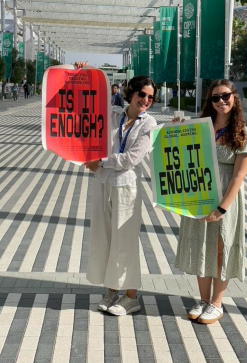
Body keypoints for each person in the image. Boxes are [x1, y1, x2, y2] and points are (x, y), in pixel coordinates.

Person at [74, 63, 157, 315]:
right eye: (141, 94)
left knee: (125, 240)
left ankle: (130, 296)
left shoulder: (148, 124)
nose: (145, 100)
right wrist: (84, 75)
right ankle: (111, 289)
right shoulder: (112, 114)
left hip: (126, 188)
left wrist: (99, 162)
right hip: (102, 184)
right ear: (130, 93)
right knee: (104, 238)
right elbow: (84, 107)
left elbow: (132, 158)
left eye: (150, 97)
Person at [175, 79, 247, 324]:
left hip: (225, 199)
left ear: (234, 98)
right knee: (201, 245)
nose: (221, 101)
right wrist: (174, 128)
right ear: (209, 102)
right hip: (199, 194)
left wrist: (222, 208)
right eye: (215, 98)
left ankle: (216, 303)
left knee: (221, 249)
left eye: (225, 96)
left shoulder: (243, 133)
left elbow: (238, 176)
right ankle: (202, 299)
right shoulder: (200, 127)